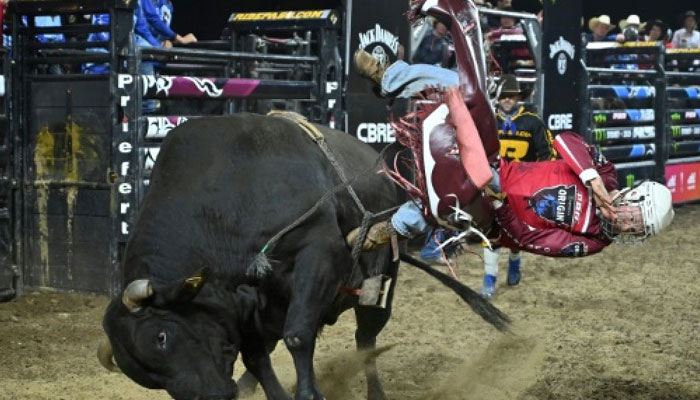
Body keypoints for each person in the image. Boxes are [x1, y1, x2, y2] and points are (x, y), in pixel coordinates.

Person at [349, 56, 674, 260]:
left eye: (634, 230)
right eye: (633, 218)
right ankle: (390, 77)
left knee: (447, 205)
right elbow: (565, 140)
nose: (625, 226)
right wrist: (595, 185)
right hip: (498, 164)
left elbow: (532, 240)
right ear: (634, 195)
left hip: (494, 216)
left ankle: (387, 231)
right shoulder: (605, 171)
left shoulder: (593, 240)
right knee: (465, 88)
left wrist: (501, 204)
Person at [480, 74, 555, 297]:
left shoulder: (533, 122)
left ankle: (514, 260)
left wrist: (538, 180)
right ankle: (489, 278)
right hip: (493, 185)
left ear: (518, 98)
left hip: (522, 187)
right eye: (503, 96)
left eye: (511, 96)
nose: (507, 100)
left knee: (515, 232)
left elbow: (547, 153)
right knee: (492, 230)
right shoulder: (488, 122)